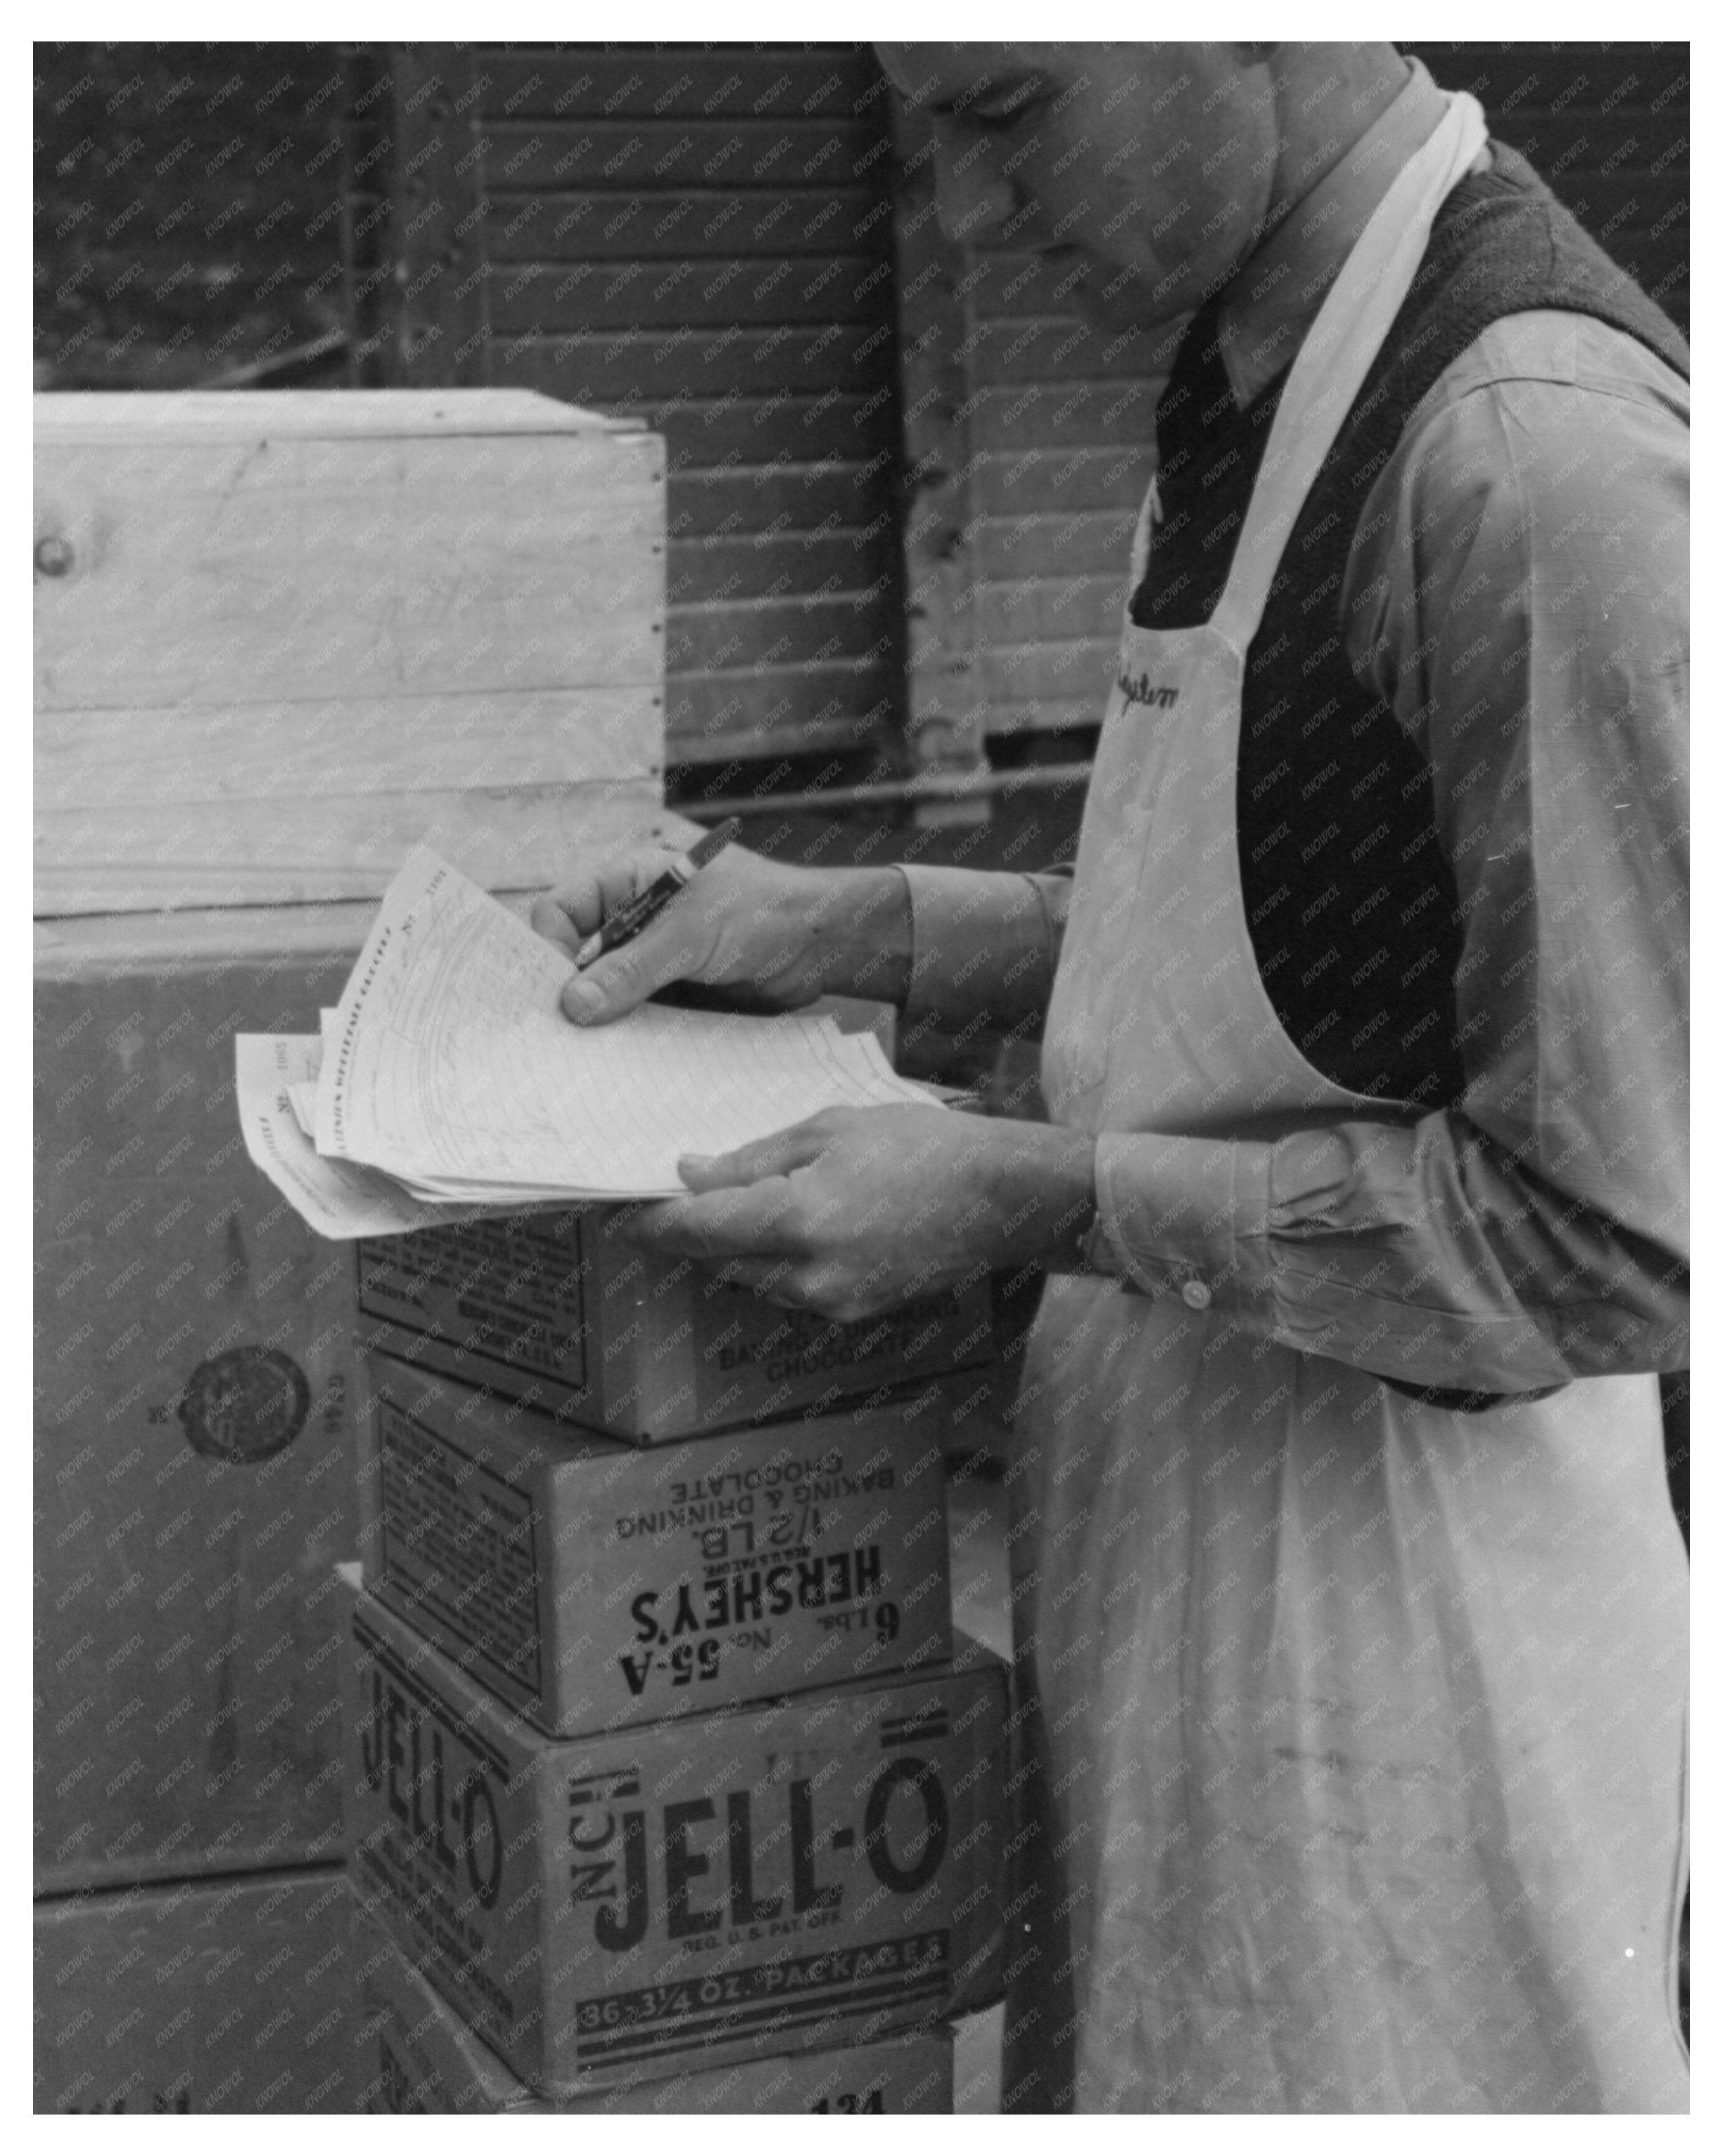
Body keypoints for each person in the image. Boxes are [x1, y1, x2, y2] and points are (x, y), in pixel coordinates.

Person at [532, 43, 1689, 2113]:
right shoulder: (1254, 355)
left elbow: (1621, 1243)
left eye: (1009, 112)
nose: (970, 219)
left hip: (1414, 1666)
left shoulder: (1535, 460)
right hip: (1182, 1571)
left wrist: (1037, 1200)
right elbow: (1268, 937)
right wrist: (837, 921)